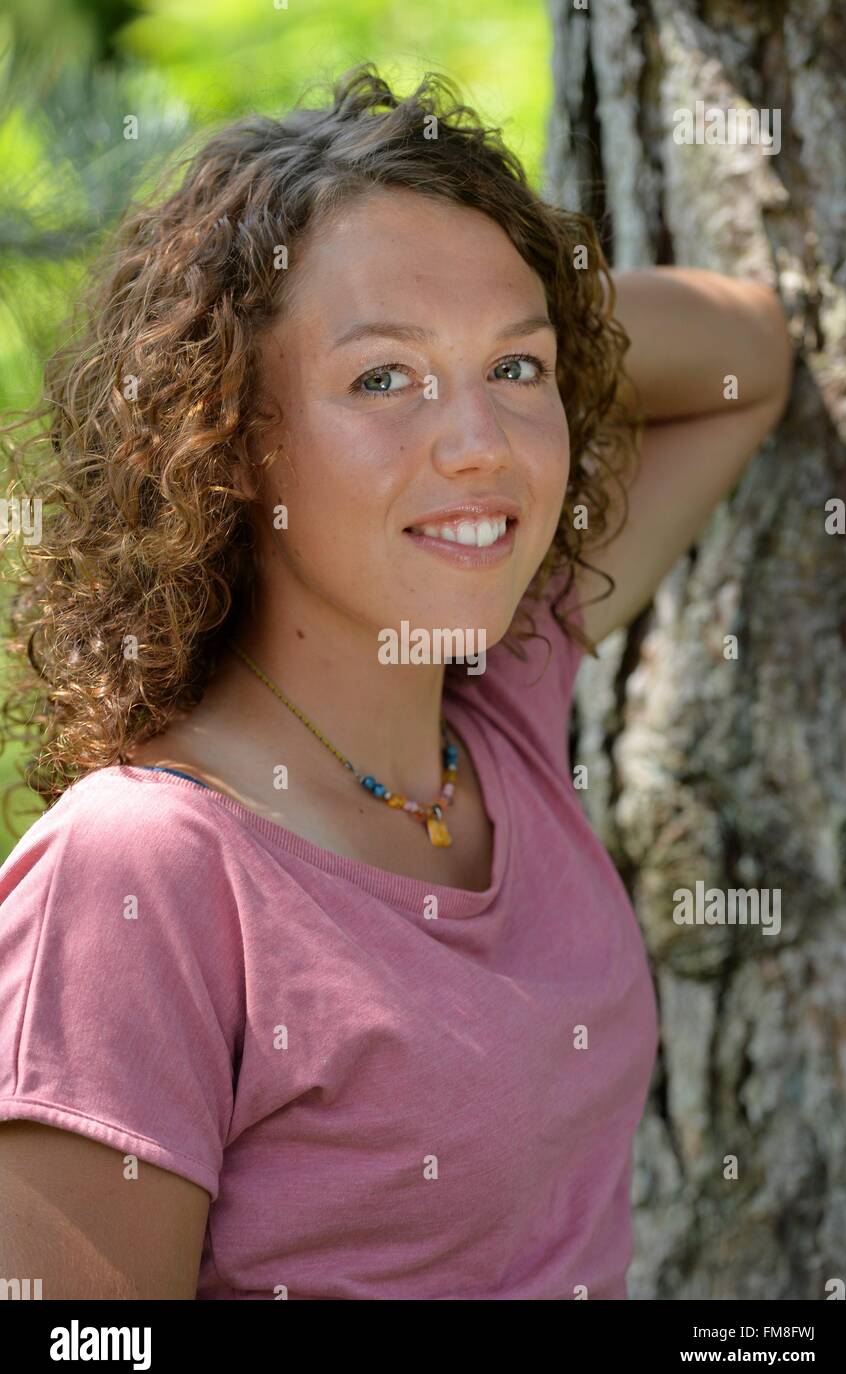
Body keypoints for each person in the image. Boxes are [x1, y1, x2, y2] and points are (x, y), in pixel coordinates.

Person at [0, 64, 792, 1299]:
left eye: (517, 375)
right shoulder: (141, 870)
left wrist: (497, 319)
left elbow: (745, 357)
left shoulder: (496, 713)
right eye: (382, 380)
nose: (478, 442)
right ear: (227, 432)